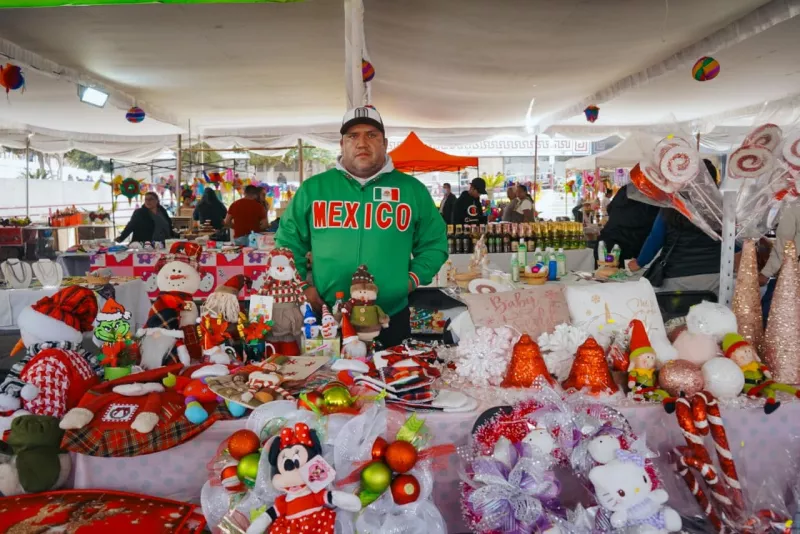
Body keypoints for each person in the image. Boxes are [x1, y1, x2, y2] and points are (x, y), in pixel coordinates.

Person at [274, 106, 447, 348]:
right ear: (342, 144)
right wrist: (302, 286)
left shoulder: (411, 190)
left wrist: (410, 280)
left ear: (384, 143)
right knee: (329, 373)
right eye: (352, 136)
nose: (362, 143)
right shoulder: (314, 189)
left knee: (394, 371)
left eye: (371, 135)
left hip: (390, 315)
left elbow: (434, 243)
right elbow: (287, 242)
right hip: (328, 315)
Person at [626, 161, 726, 294]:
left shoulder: (673, 206)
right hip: (716, 277)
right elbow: (733, 242)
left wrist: (639, 263)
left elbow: (655, 238)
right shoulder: (721, 208)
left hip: (676, 276)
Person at [594, 183, 659, 264]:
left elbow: (610, 209)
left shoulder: (628, 188)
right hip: (628, 249)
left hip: (607, 242)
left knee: (603, 270)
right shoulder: (656, 196)